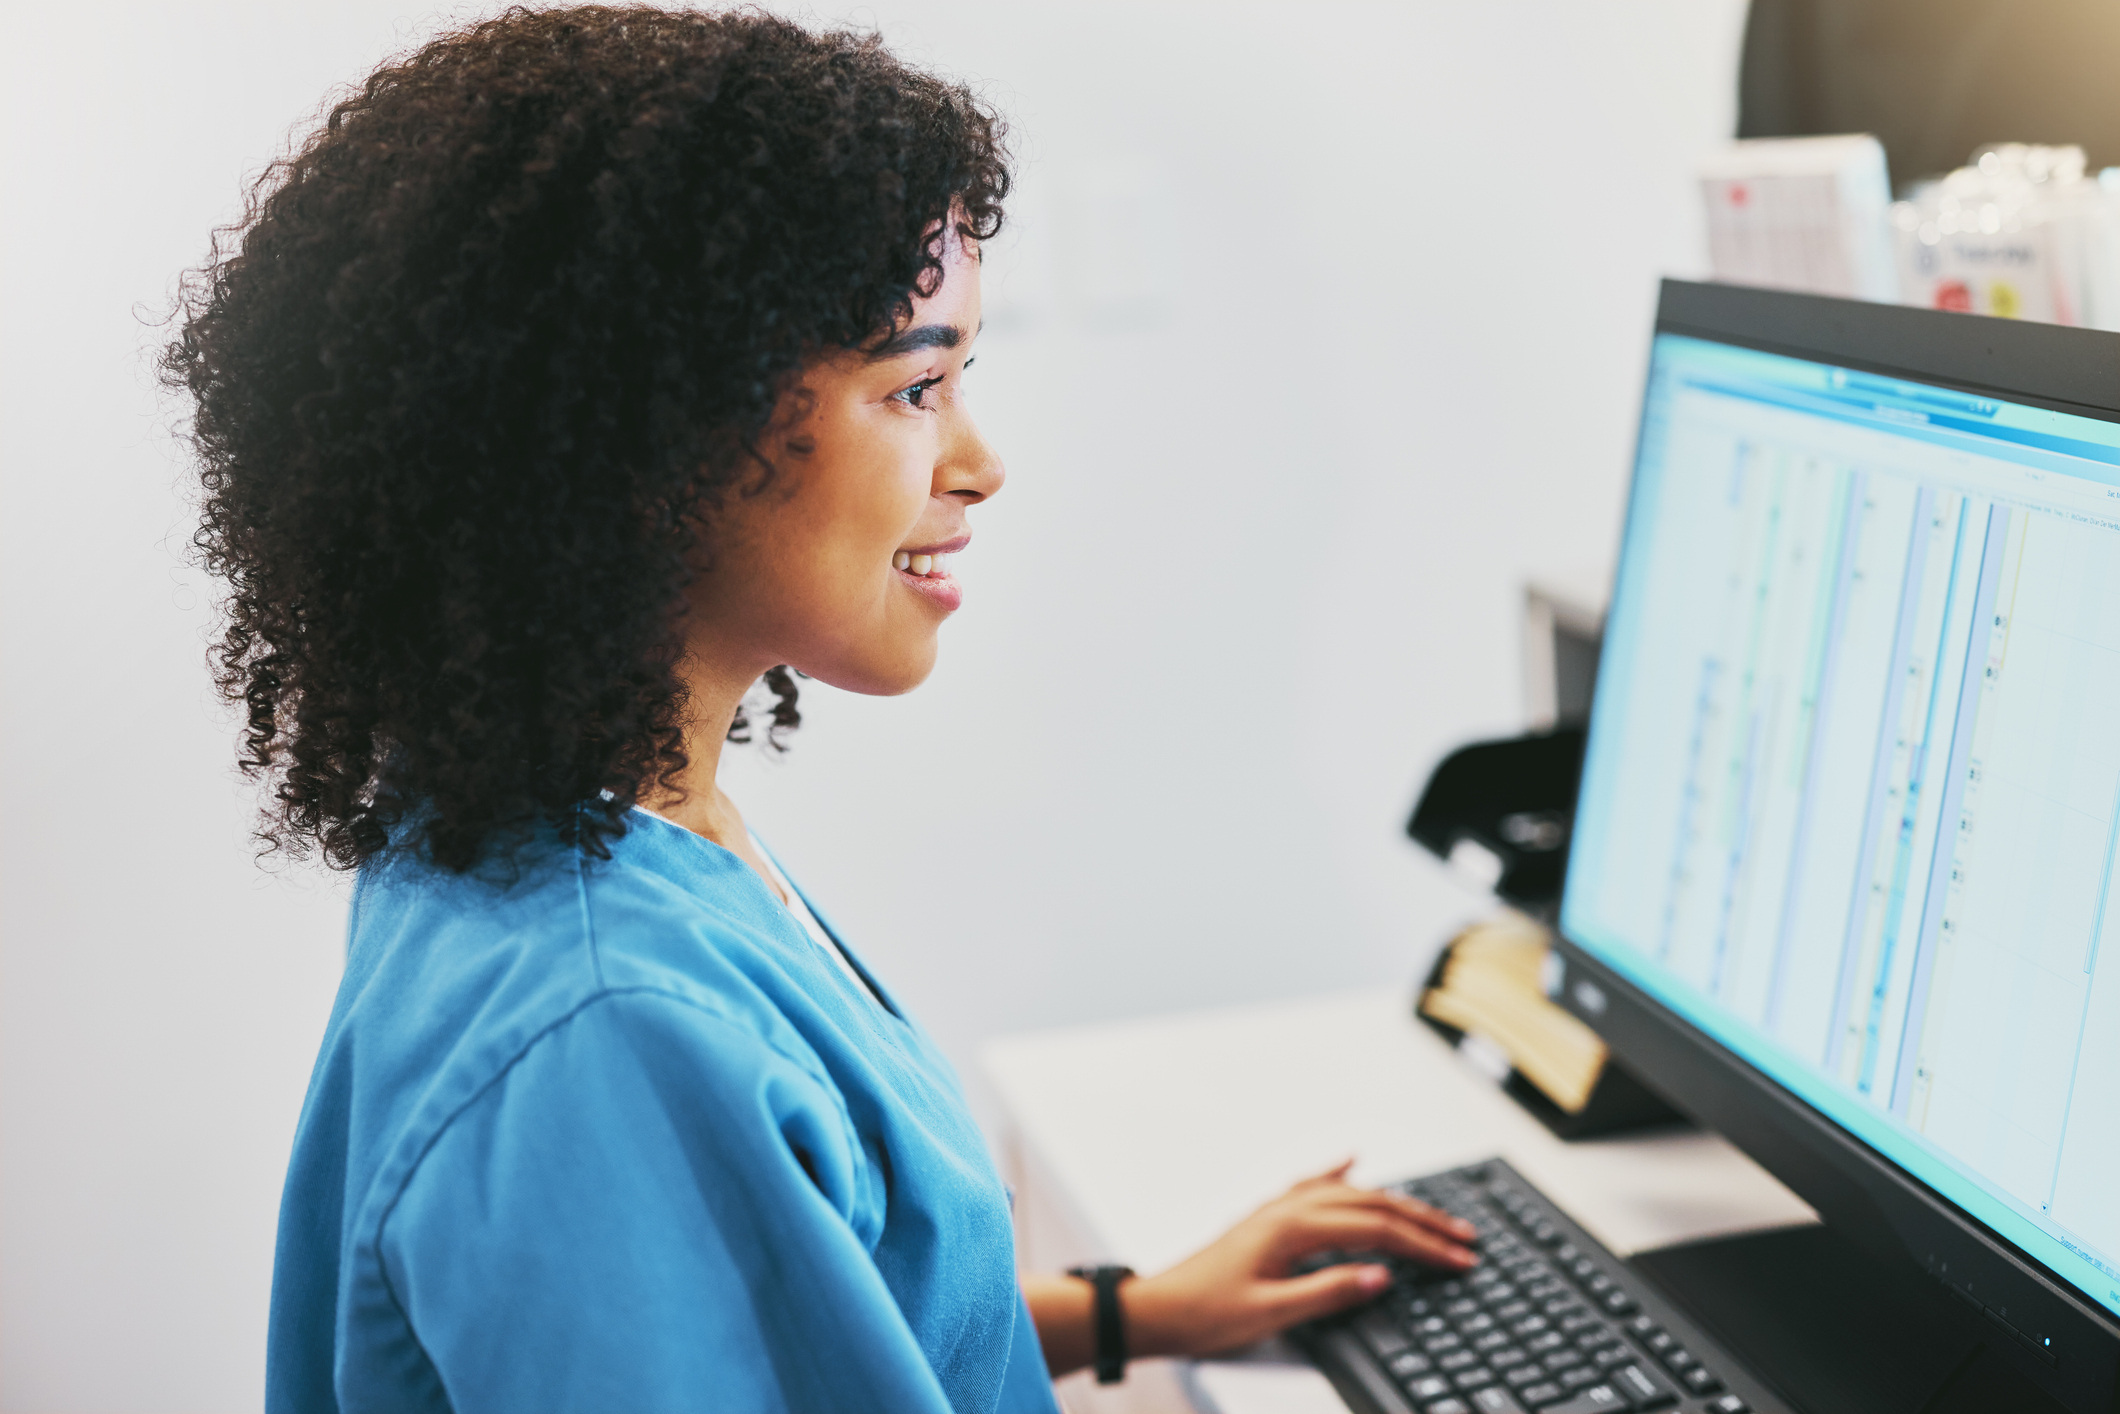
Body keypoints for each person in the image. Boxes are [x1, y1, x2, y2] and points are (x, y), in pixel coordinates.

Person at [163, 8, 1476, 1411]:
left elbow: (809, 1301)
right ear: (657, 442)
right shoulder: (610, 1031)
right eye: (917, 385)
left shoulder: (571, 818)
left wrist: (1136, 1312)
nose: (981, 463)